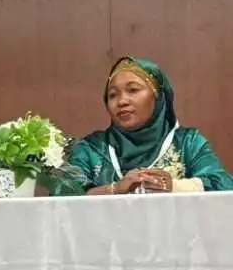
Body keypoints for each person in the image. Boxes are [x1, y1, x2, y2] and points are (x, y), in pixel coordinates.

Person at [70, 56, 233, 194]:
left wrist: (175, 187)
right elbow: (65, 191)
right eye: (112, 95)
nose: (122, 101)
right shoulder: (92, 148)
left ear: (158, 96)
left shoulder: (187, 143)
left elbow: (223, 184)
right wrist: (114, 189)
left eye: (133, 90)